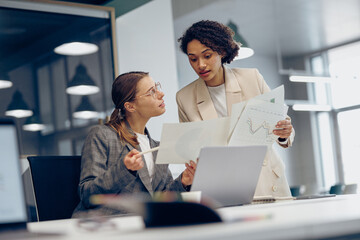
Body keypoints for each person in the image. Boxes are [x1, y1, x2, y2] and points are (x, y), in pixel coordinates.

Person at [176, 20, 295, 197]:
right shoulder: (184, 97)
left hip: (265, 179)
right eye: (193, 59)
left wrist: (285, 133)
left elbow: (281, 126)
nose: (200, 65)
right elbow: (191, 150)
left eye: (207, 56)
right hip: (222, 185)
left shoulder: (251, 78)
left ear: (222, 51)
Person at [73, 71, 197, 218]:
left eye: (157, 87)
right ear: (130, 106)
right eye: (152, 91)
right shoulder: (102, 135)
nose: (161, 94)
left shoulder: (156, 146)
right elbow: (88, 195)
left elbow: (160, 197)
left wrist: (183, 181)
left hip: (141, 224)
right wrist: (124, 169)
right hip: (104, 225)